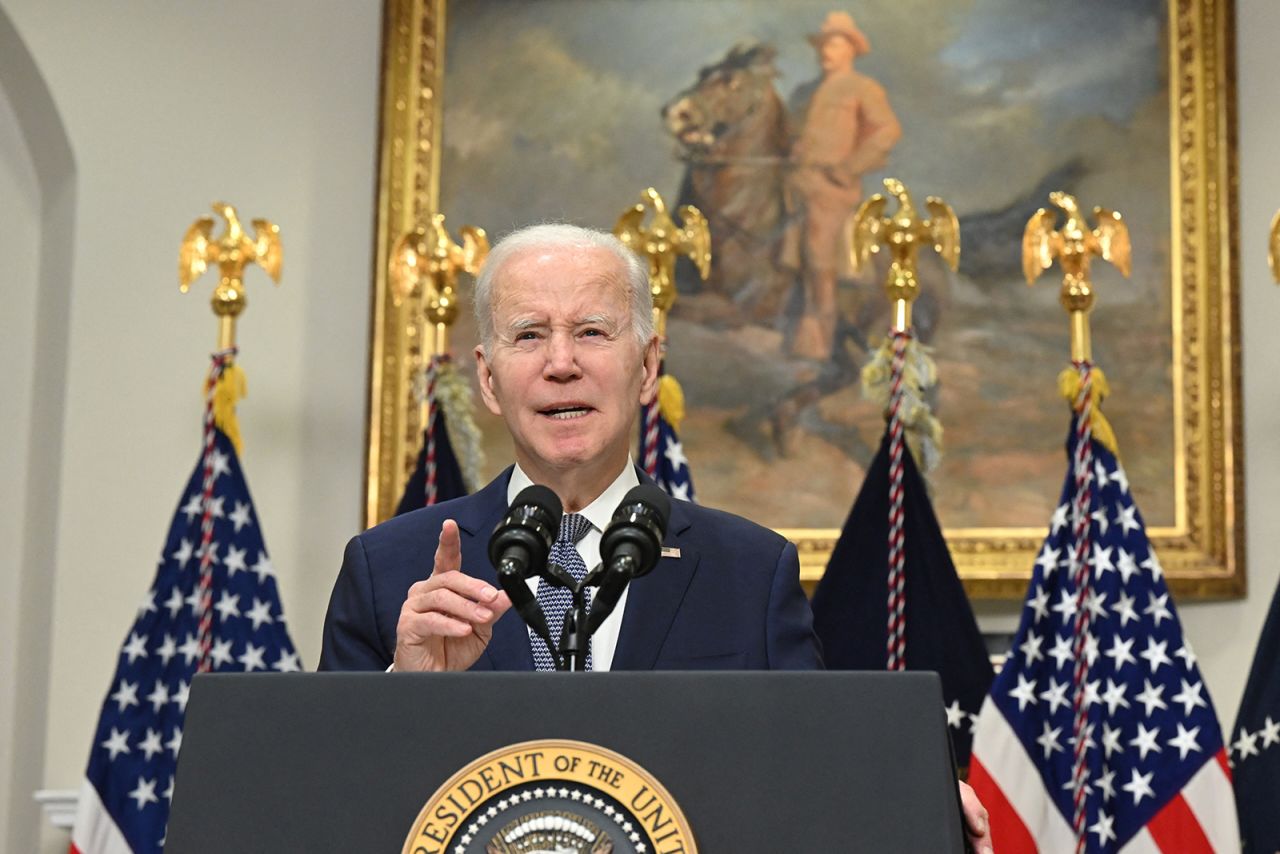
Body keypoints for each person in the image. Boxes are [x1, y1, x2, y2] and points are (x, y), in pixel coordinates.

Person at [317, 223, 992, 852]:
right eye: (528, 335)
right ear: (489, 380)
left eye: (591, 331)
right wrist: (401, 691)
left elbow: (807, 782)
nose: (560, 362)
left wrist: (908, 804)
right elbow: (320, 805)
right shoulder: (390, 568)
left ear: (647, 367)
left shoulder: (751, 574)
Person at [784, 10, 901, 361]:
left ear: (851, 49)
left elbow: (887, 131)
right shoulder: (805, 92)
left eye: (834, 44)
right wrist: (794, 148)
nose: (825, 51)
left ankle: (819, 337)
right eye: (823, 44)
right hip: (794, 184)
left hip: (832, 189)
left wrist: (850, 167)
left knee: (818, 253)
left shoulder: (863, 88)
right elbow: (792, 134)